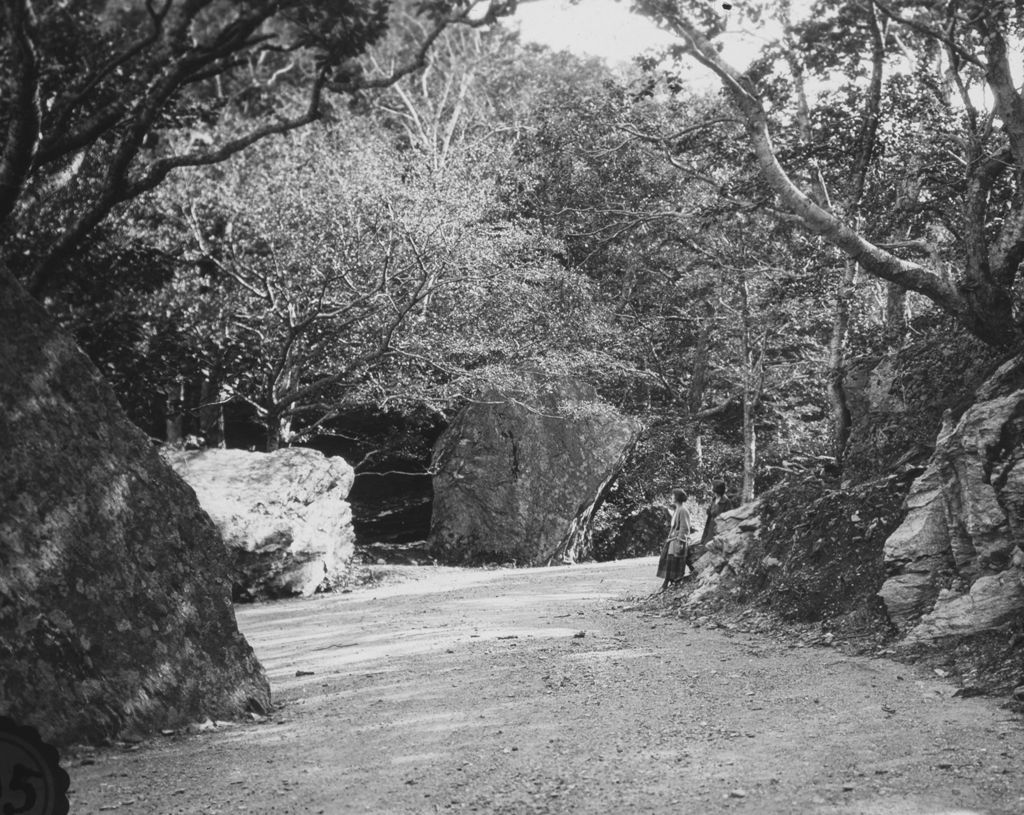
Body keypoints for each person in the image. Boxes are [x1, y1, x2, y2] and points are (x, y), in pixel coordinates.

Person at [657, 488, 692, 591]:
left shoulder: (683, 510)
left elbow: (684, 528)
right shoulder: (677, 509)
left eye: (673, 496)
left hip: (678, 540)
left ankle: (669, 583)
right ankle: (669, 583)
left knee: (674, 561)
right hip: (673, 539)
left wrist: (680, 541)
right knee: (669, 560)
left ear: (677, 497)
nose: (671, 498)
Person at [698, 480, 733, 550]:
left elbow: (729, 518)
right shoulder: (714, 499)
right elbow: (711, 513)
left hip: (719, 528)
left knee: (713, 549)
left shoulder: (726, 501)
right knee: (705, 547)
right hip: (710, 526)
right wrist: (708, 510)